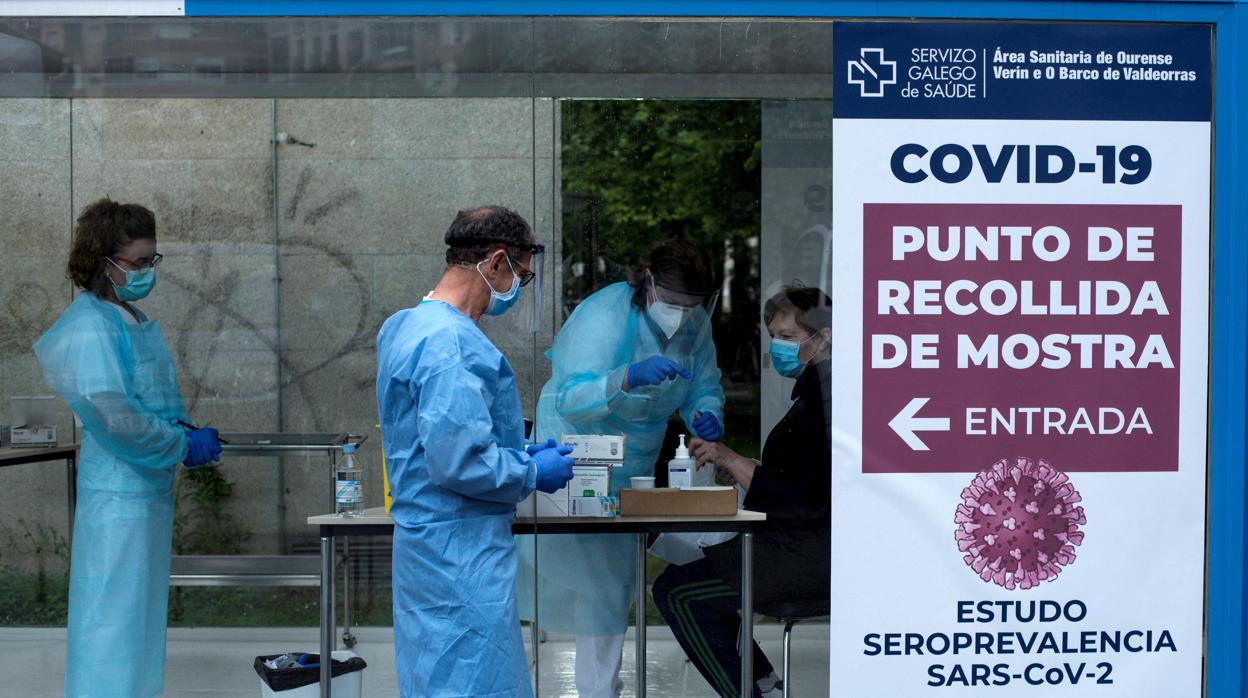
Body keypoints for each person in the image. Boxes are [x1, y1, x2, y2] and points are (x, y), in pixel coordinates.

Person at [376, 205, 576, 698]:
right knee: (473, 682)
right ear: (497, 261)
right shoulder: (451, 344)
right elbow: (459, 462)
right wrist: (529, 472)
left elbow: (435, 439)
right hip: (459, 554)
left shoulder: (404, 326)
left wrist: (517, 449)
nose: (518, 288)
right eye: (522, 275)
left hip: (428, 548)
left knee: (434, 676)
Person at [519, 239, 726, 698]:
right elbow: (572, 396)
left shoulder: (695, 325)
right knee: (587, 580)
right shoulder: (604, 316)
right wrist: (623, 378)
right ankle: (584, 689)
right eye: (673, 302)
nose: (683, 313)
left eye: (693, 306)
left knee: (615, 583)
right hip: (575, 454)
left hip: (636, 459)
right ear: (647, 279)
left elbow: (703, 383)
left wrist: (706, 414)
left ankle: (603, 687)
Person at [33, 198, 223, 698]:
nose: (146, 271)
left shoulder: (127, 315)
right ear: (103, 260)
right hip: (119, 497)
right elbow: (114, 416)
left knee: (136, 625)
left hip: (144, 493)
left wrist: (178, 424)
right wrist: (179, 442)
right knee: (112, 629)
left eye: (151, 261)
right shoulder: (91, 323)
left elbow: (143, 402)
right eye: (137, 262)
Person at [652, 285, 832, 698]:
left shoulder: (826, 402)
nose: (777, 347)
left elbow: (808, 502)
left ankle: (749, 691)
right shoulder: (814, 392)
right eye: (773, 335)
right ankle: (762, 682)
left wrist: (735, 461)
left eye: (788, 337)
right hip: (796, 547)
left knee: (679, 593)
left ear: (822, 338)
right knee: (690, 582)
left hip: (807, 556)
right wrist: (742, 468)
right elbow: (803, 478)